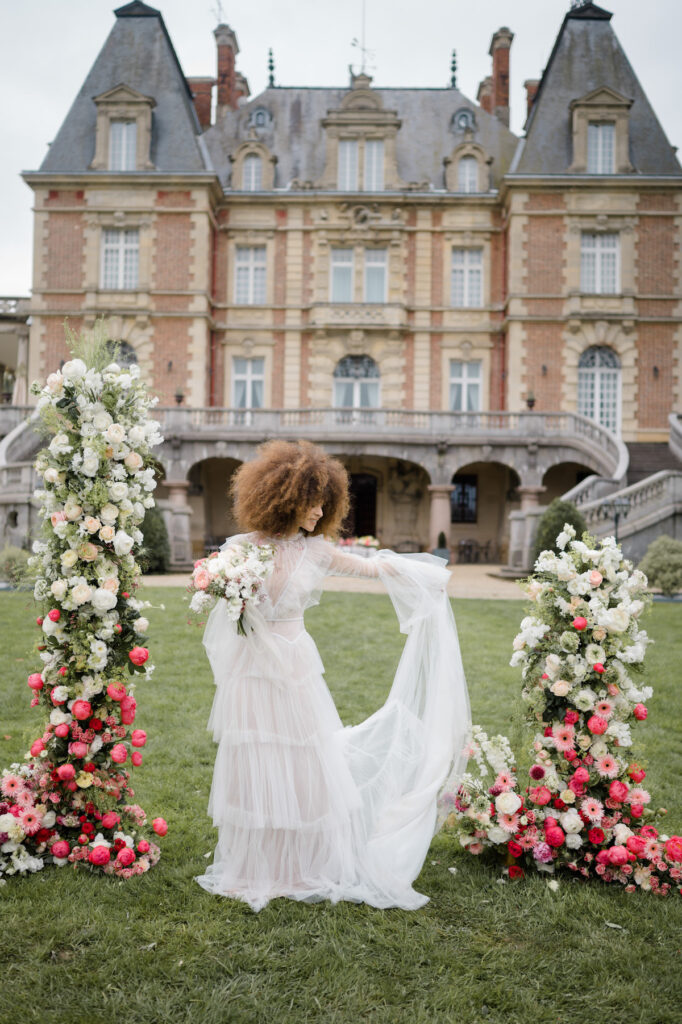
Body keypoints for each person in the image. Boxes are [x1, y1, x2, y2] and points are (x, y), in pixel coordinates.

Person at [195, 439, 471, 911]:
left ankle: (301, 861)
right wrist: (216, 584)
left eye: (325, 500)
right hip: (253, 669)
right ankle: (255, 866)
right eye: (311, 500)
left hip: (297, 665)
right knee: (257, 755)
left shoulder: (317, 551)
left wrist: (422, 576)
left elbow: (371, 567)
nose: (320, 509)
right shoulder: (240, 550)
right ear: (283, 498)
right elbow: (209, 590)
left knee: (305, 759)